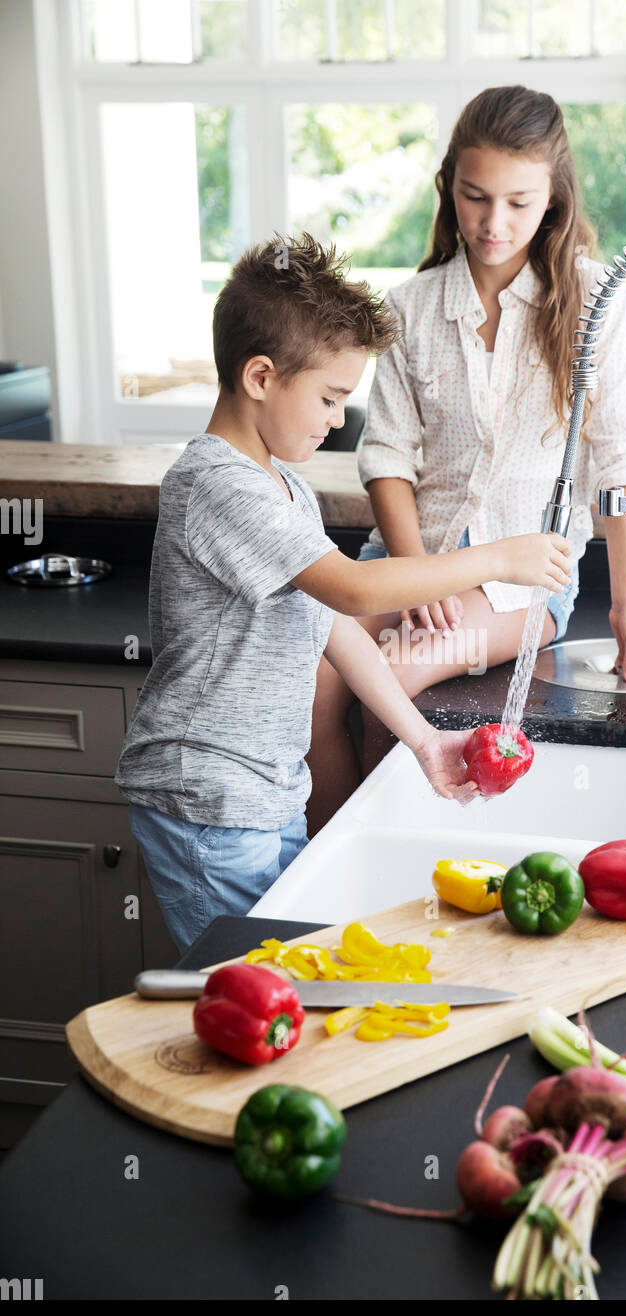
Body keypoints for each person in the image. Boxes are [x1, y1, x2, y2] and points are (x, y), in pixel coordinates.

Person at [115, 232, 571, 952]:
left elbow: (333, 627)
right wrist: (498, 560)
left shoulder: (281, 486)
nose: (336, 421)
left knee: (294, 981)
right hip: (208, 807)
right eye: (329, 399)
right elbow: (357, 589)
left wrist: (423, 742)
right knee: (253, 993)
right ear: (260, 377)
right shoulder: (216, 485)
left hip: (263, 800)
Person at [306, 85, 626, 836]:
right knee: (311, 681)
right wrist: (412, 567)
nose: (494, 224)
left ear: (554, 198)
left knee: (389, 680)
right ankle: (320, 883)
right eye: (475, 197)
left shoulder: (597, 299)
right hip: (406, 555)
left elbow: (621, 459)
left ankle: (385, 873)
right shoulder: (411, 306)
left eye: (519, 203)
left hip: (516, 585)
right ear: (449, 187)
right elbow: (389, 457)